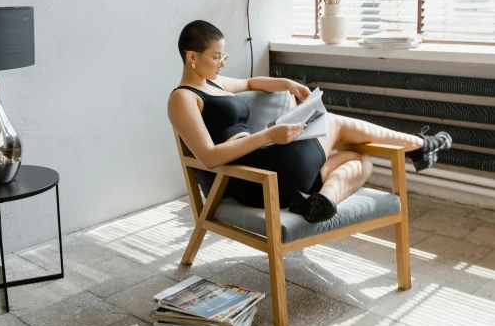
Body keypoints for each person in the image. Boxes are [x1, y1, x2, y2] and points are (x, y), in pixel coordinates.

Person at [167, 20, 452, 223]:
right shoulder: (183, 98)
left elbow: (252, 81)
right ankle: (419, 145)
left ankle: (321, 202)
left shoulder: (215, 83)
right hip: (253, 177)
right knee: (334, 122)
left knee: (360, 159)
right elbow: (207, 157)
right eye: (216, 56)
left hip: (280, 178)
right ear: (192, 56)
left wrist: (287, 83)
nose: (222, 63)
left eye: (223, 55)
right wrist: (268, 136)